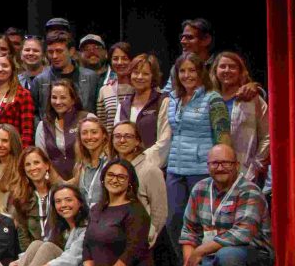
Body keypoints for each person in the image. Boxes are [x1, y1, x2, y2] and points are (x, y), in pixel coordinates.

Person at [174, 144, 273, 266]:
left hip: (253, 255)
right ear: (208, 166)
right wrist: (189, 262)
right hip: (211, 256)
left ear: (236, 165)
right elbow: (190, 230)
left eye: (226, 163)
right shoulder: (200, 188)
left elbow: (242, 234)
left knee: (228, 255)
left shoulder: (249, 191)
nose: (220, 168)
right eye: (215, 163)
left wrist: (200, 251)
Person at [57, 157, 163, 266]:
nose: (115, 180)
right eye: (111, 175)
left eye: (121, 177)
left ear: (130, 182)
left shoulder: (136, 212)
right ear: (103, 178)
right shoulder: (97, 209)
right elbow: (87, 246)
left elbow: (131, 255)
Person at [162, 54, 230, 238]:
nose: (187, 75)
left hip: (201, 170)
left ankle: (202, 257)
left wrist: (222, 168)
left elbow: (223, 137)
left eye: (192, 70)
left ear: (201, 72)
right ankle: (183, 257)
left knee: (201, 223)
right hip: (175, 170)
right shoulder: (173, 98)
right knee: (174, 221)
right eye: (182, 71)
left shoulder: (213, 98)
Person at [211, 52, 269, 183]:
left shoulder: (253, 99)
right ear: (215, 70)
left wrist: (256, 166)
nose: (227, 70)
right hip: (212, 171)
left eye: (232, 67)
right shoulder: (209, 99)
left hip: (245, 172)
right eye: (223, 66)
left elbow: (267, 136)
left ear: (240, 72)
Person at [110, 121, 172, 231]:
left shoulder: (151, 171)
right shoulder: (109, 168)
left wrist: (149, 237)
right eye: (117, 136)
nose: (122, 140)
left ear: (137, 141)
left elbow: (160, 214)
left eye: (128, 136)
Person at [120, 53, 171, 163]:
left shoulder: (163, 101)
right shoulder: (124, 104)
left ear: (153, 77)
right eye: (136, 72)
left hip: (153, 166)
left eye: (145, 74)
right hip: (126, 166)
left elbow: (165, 141)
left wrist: (139, 162)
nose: (139, 77)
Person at [36, 78, 85, 180]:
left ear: (73, 99)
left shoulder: (86, 119)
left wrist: (76, 180)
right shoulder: (43, 125)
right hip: (54, 182)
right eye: (54, 97)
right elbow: (42, 158)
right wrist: (59, 181)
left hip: (84, 179)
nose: (58, 102)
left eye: (63, 97)